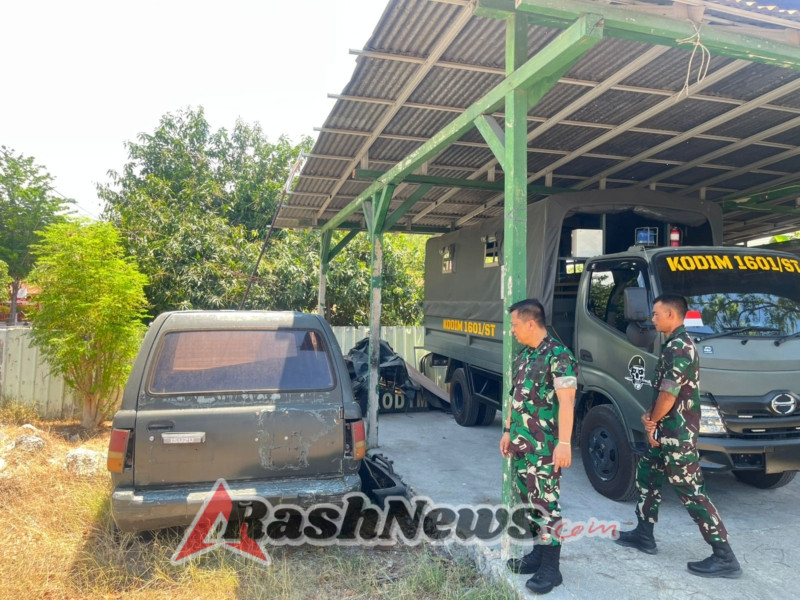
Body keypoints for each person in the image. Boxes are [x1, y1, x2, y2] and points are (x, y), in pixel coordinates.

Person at [615, 293, 741, 578]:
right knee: (647, 475)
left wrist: (652, 421)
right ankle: (644, 534)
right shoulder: (672, 344)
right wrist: (652, 419)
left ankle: (724, 556)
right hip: (666, 431)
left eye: (656, 314)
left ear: (671, 315)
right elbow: (663, 390)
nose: (652, 319)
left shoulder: (680, 347)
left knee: (691, 490)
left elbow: (669, 395)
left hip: (676, 434)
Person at [500, 298, 578, 595]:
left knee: (546, 504)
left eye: (515, 325)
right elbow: (515, 397)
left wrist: (564, 443)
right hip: (522, 446)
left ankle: (551, 568)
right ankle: (538, 553)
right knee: (530, 502)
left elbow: (567, 402)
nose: (513, 330)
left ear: (531, 323)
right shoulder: (526, 355)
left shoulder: (559, 355)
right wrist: (507, 430)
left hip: (545, 448)